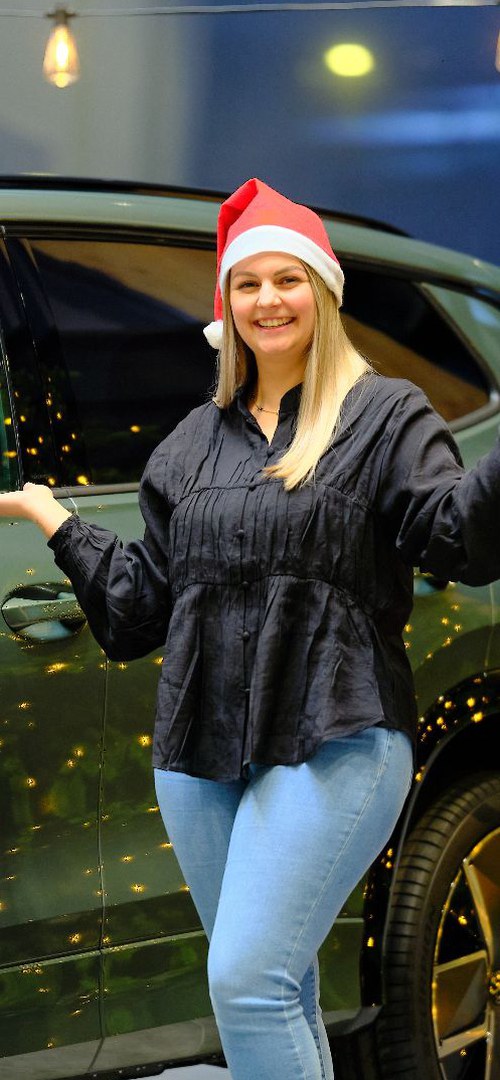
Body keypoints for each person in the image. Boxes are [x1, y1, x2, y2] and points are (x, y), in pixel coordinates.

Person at [1, 178, 499, 1080]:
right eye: (248, 283)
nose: (269, 299)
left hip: (337, 734)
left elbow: (457, 537)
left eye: (288, 279)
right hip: (199, 752)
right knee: (281, 987)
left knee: (247, 981)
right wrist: (55, 521)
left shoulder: (385, 415)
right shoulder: (192, 441)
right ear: (226, 303)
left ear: (324, 291)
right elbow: (141, 609)